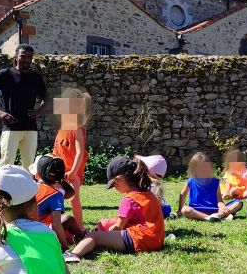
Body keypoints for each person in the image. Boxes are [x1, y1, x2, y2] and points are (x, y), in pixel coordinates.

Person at [68, 156, 165, 260]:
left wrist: (104, 234)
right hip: (157, 240)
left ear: (120, 179)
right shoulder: (148, 193)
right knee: (107, 224)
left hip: (140, 239)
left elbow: (118, 228)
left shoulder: (129, 200)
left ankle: (73, 254)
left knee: (95, 237)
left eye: (114, 185)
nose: (114, 188)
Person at [0, 44, 47, 170]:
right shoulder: (6, 74)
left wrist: (39, 111)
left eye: (29, 57)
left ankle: (26, 184)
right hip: (11, 127)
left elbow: (47, 99)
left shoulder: (36, 78)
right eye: (23, 56)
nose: (26, 59)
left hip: (30, 128)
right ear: (16, 57)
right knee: (6, 166)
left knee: (30, 168)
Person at [28, 155, 82, 263]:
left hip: (22, 232)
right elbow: (56, 224)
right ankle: (82, 237)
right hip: (38, 235)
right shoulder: (54, 194)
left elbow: (70, 193)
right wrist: (64, 249)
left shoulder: (30, 187)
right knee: (69, 219)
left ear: (38, 173)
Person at [53, 88, 89, 227]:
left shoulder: (77, 128)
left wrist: (73, 172)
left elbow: (80, 152)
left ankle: (80, 228)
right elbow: (57, 151)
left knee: (74, 199)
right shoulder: (62, 128)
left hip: (72, 172)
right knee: (54, 198)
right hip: (59, 171)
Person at [176, 152, 241, 221]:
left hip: (214, 210)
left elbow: (219, 200)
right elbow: (182, 194)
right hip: (196, 211)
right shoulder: (191, 181)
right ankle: (210, 217)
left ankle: (219, 215)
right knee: (185, 209)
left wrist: (222, 207)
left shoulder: (215, 182)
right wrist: (180, 210)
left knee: (238, 203)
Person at [136, 154, 172, 219]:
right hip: (156, 210)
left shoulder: (139, 181)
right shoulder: (157, 185)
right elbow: (159, 204)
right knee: (167, 208)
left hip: (144, 210)